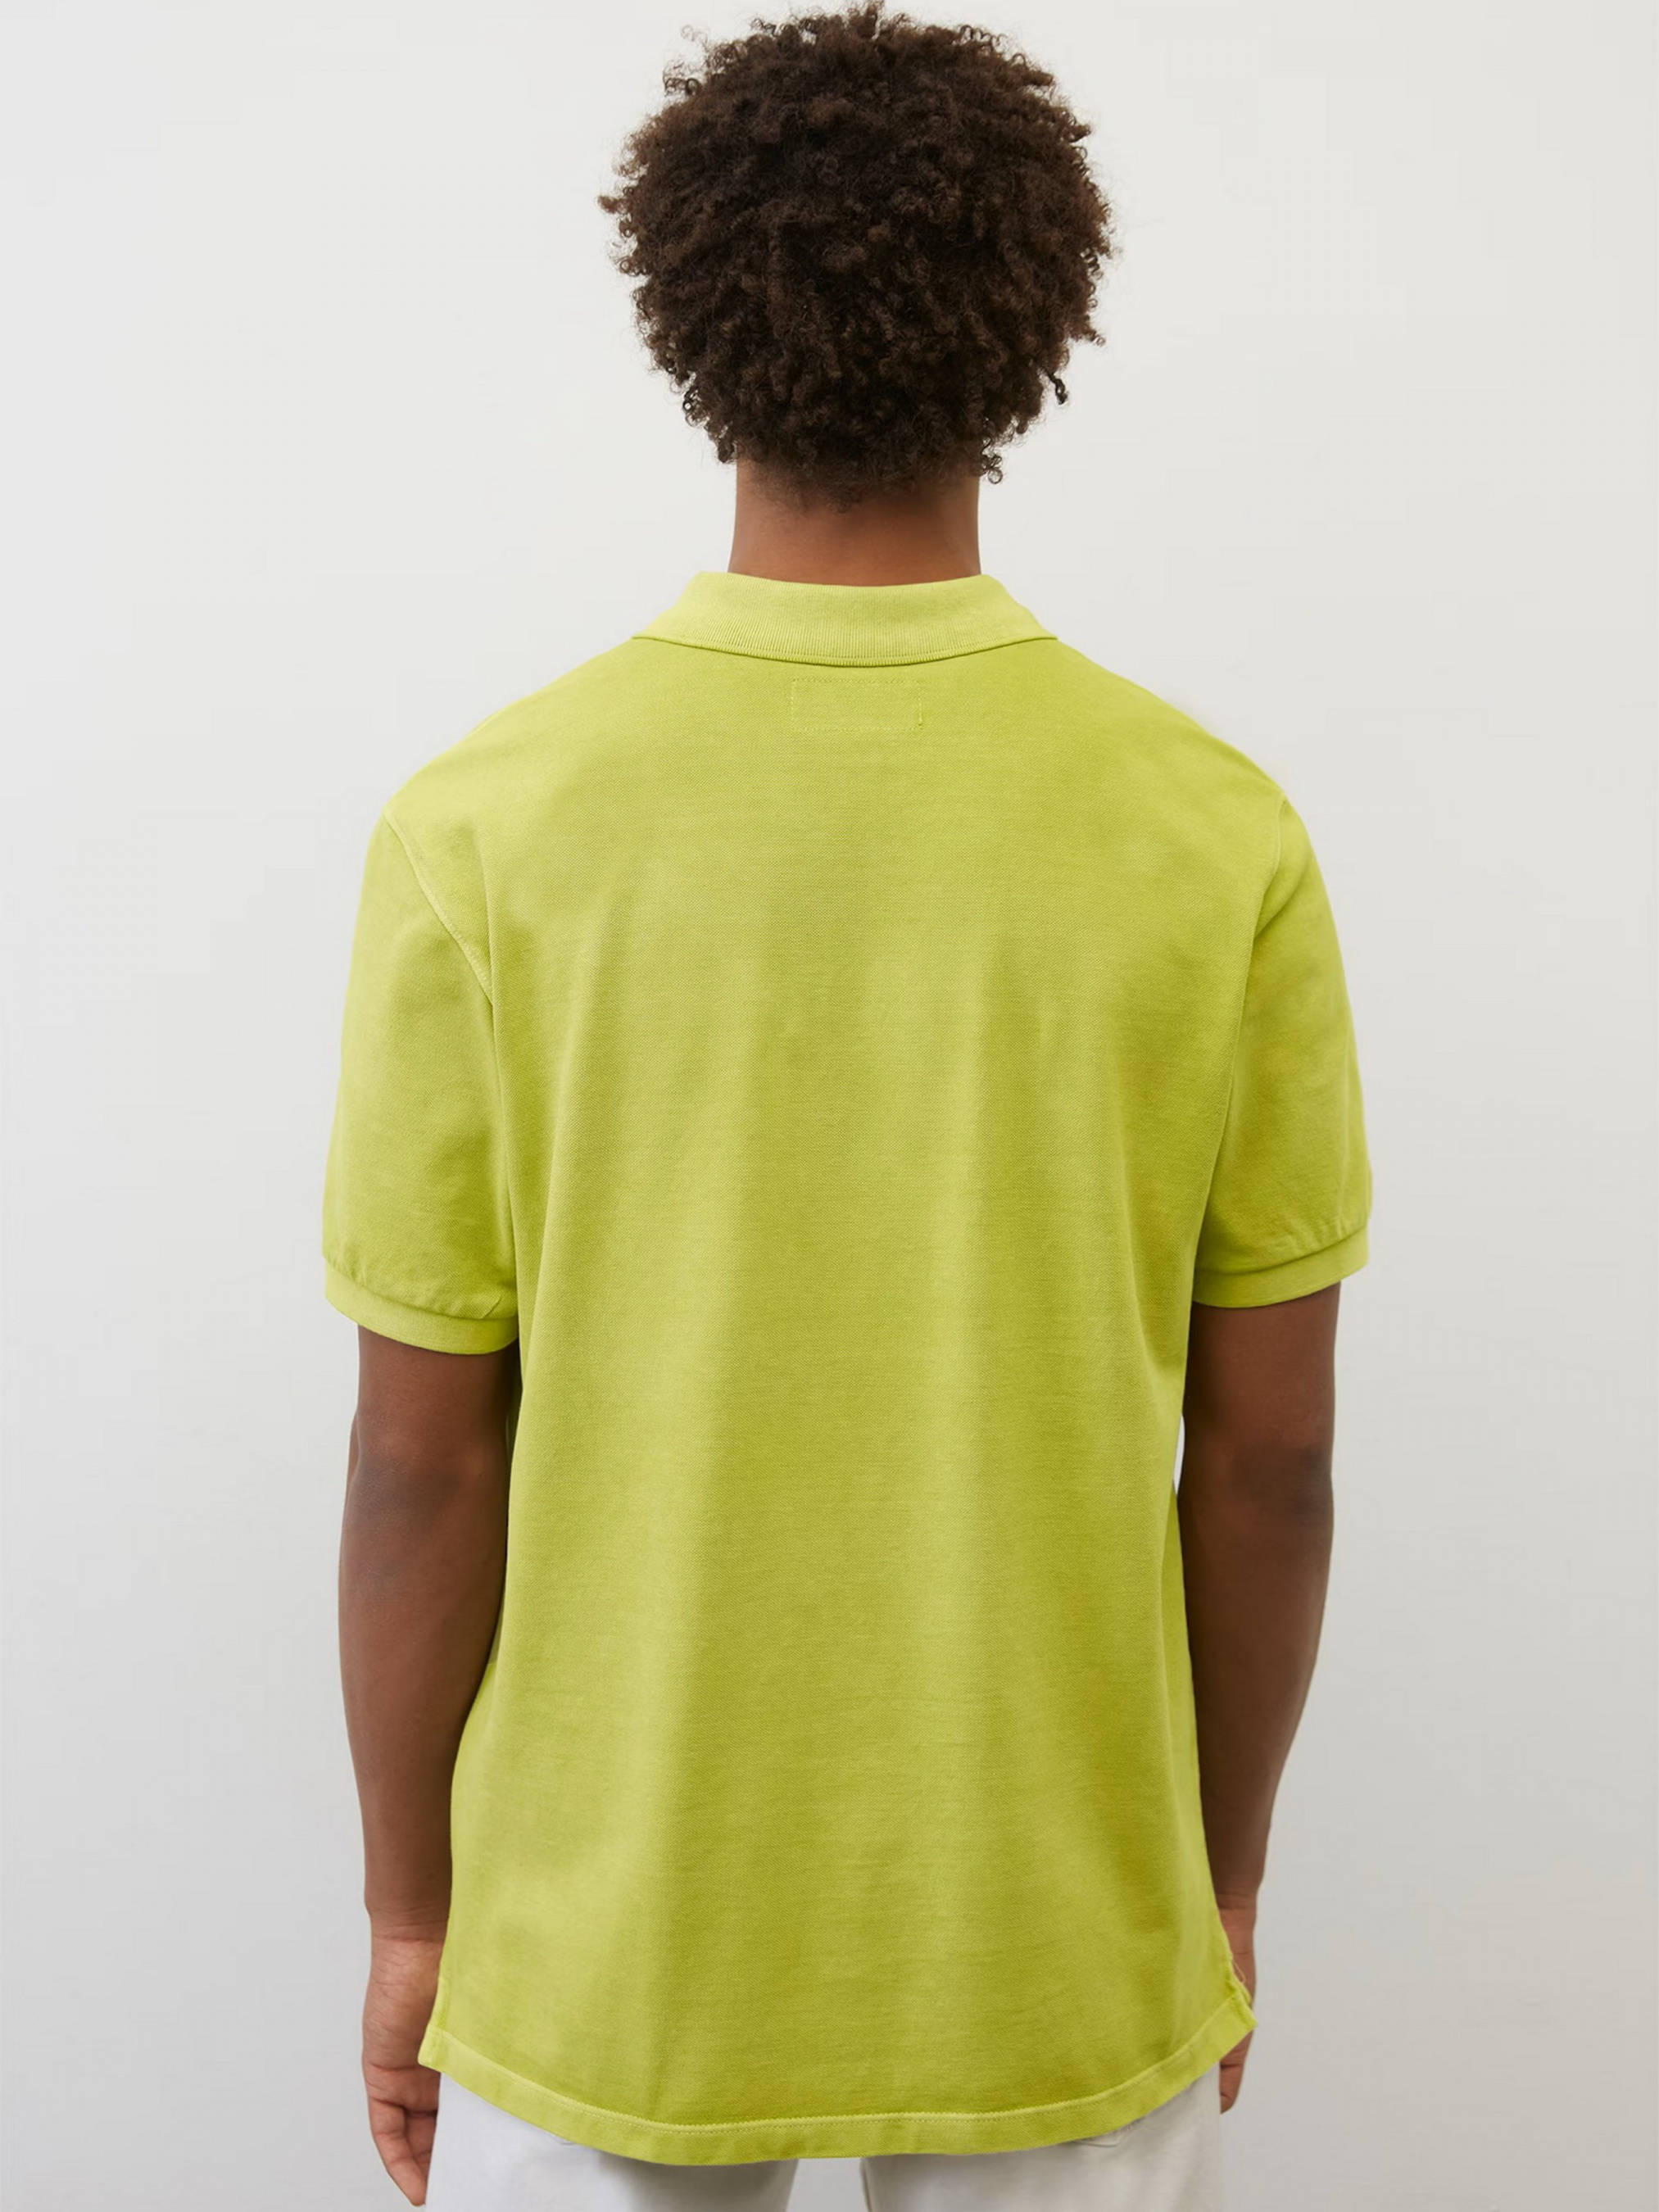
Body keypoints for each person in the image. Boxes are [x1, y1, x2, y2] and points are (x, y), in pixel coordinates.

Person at [323, 9, 1371, 2208]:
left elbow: (426, 1454)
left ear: (687, 320)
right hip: (1058, 1918)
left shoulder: (487, 828)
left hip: (602, 1942)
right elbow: (1269, 1457)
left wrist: (414, 1915)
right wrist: (1215, 1872)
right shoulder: (1212, 834)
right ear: (1035, 327)